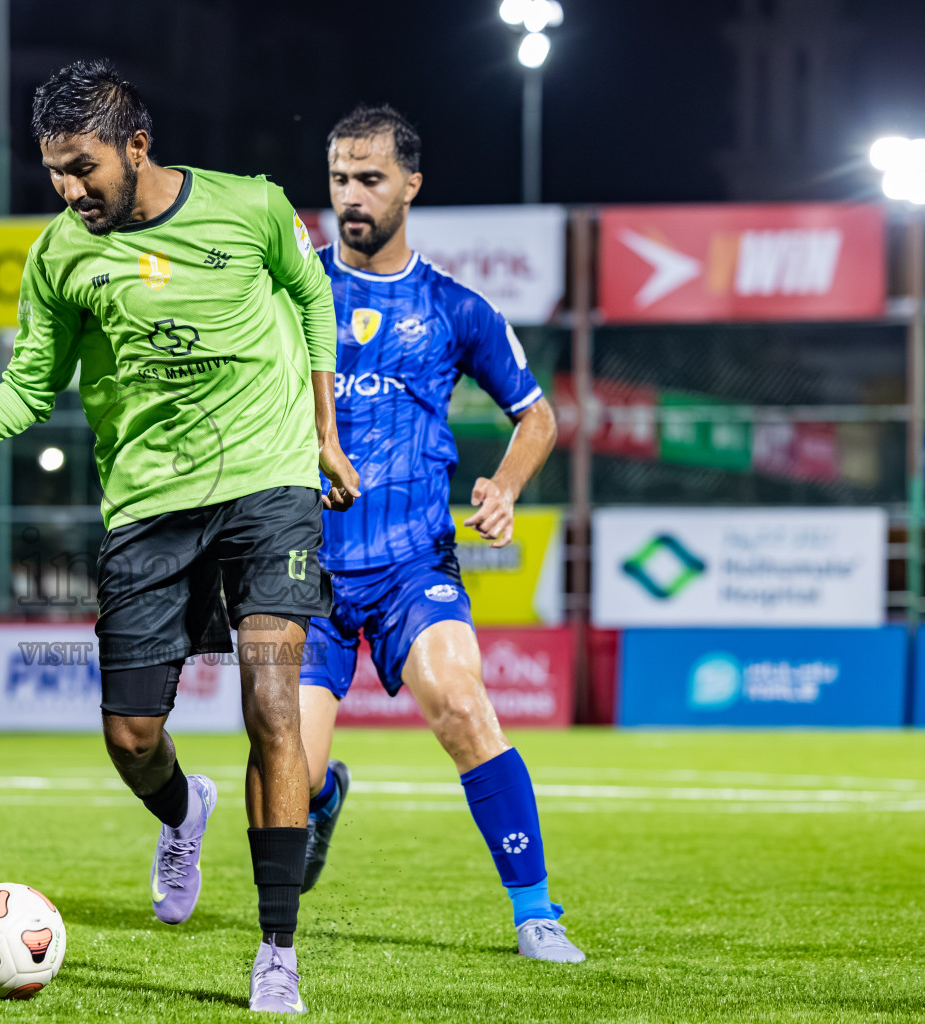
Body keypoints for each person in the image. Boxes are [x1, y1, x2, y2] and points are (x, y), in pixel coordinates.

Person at [0, 59, 360, 1013]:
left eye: (83, 166)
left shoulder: (255, 209)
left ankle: (277, 953)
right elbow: (28, 391)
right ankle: (184, 813)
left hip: (269, 487)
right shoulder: (62, 255)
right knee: (131, 734)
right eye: (54, 169)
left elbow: (313, 303)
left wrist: (323, 433)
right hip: (146, 507)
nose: (68, 188)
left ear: (136, 145)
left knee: (273, 705)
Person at [297, 105, 584, 963]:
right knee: (290, 775)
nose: (352, 195)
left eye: (371, 179)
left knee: (462, 702)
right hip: (301, 565)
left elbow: (537, 418)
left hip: (411, 561)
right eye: (341, 178)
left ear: (411, 186)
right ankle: (320, 798)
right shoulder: (292, 288)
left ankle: (536, 914)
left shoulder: (456, 308)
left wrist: (504, 484)